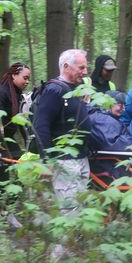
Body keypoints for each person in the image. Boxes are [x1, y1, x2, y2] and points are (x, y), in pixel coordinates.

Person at [33, 49, 92, 211]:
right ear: (66, 67)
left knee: (81, 207)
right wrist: (46, 161)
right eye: (81, 68)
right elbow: (41, 126)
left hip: (81, 158)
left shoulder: (76, 90)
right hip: (64, 160)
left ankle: (79, 236)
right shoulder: (54, 90)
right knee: (70, 210)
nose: (85, 72)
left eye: (85, 68)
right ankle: (69, 236)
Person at [0, 62, 31, 214]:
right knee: (2, 179)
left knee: (23, 172)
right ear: (14, 75)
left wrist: (30, 143)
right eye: (25, 77)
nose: (27, 81)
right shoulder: (0, 93)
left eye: (29, 78)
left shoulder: (18, 95)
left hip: (8, 139)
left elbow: (21, 122)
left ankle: (8, 210)